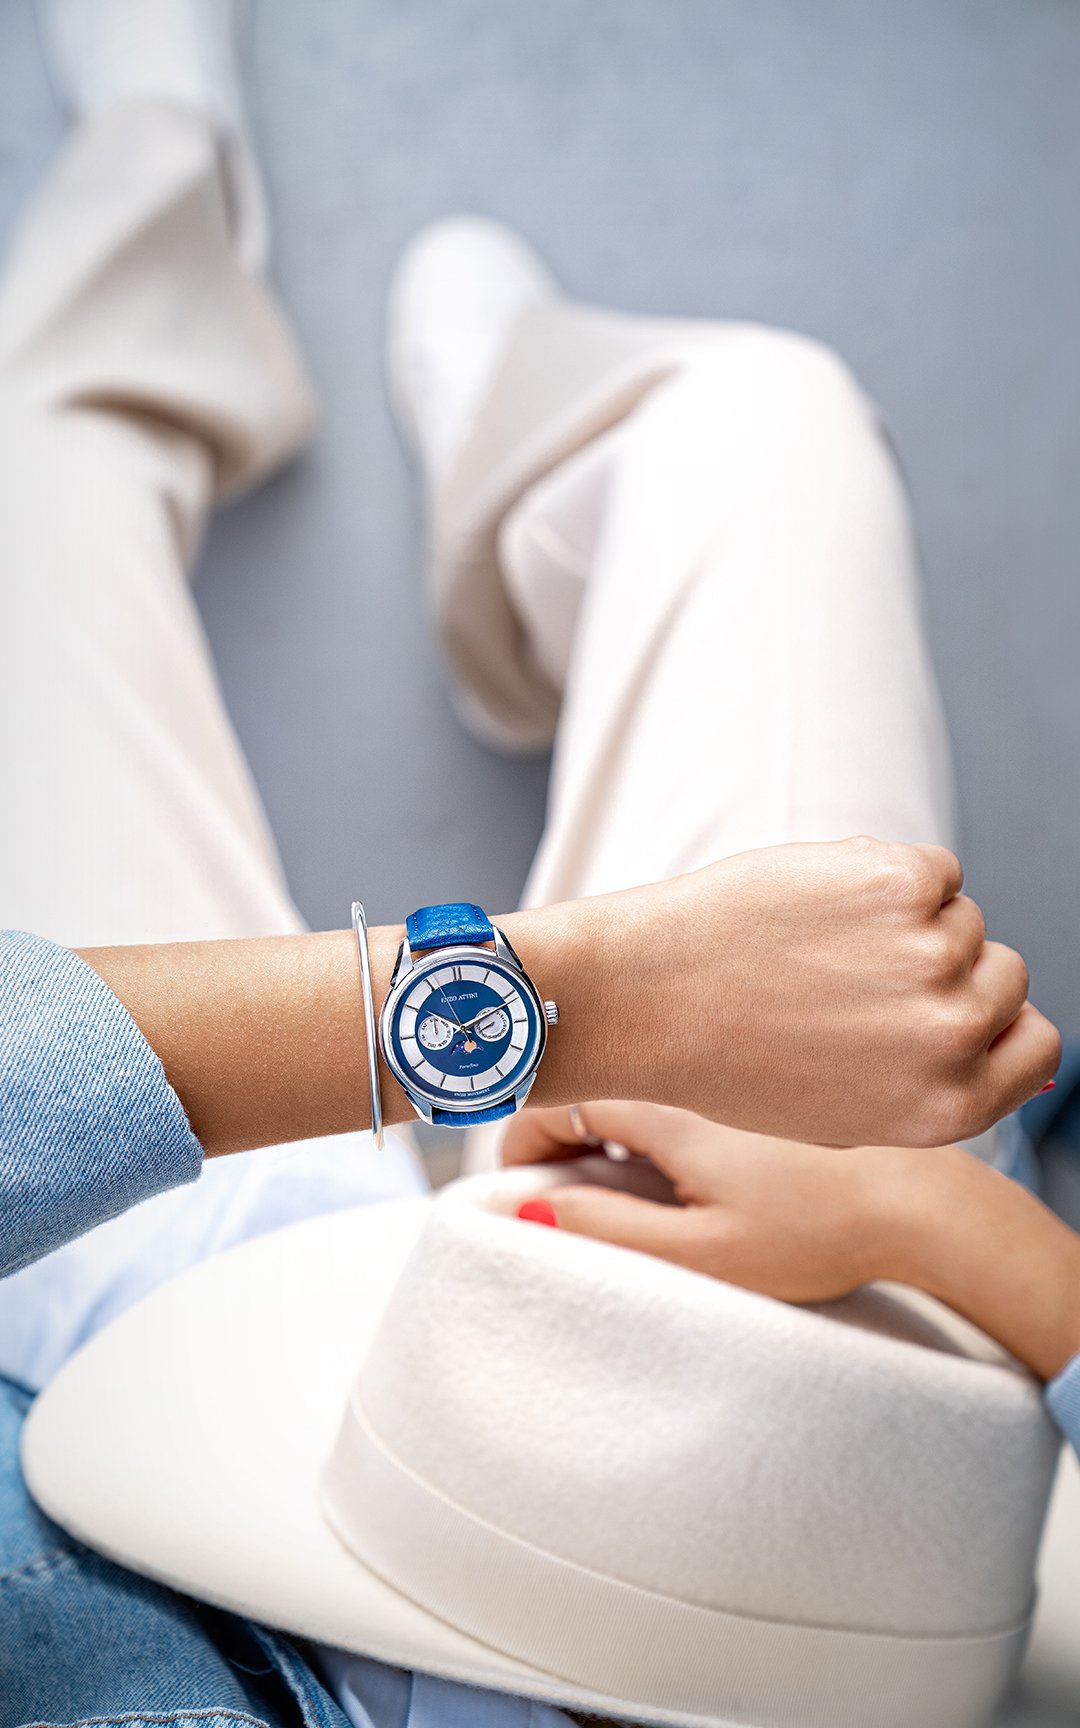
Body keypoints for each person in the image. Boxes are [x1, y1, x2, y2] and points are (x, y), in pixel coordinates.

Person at [0, 0, 1069, 1722]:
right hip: (831, 1419)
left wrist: (560, 995)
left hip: (206, 1397)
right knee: (763, 419)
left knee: (29, 500)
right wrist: (923, 1214)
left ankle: (155, 200)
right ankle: (519, 486)